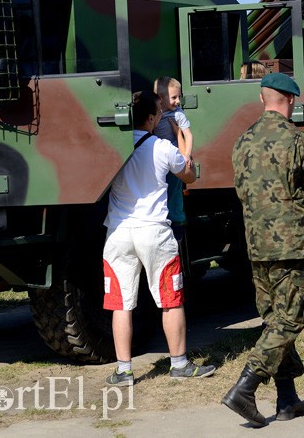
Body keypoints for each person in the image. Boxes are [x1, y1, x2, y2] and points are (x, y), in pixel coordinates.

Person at [223, 73, 304, 427]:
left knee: (273, 318)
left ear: (263, 99)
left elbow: (240, 191)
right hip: (292, 244)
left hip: (257, 245)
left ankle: (287, 400)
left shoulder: (242, 142)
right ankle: (246, 386)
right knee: (290, 319)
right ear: (291, 100)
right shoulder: (297, 140)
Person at [102, 90, 213, 387]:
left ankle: (123, 370)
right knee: (170, 300)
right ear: (151, 118)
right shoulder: (162, 147)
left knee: (120, 304)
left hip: (118, 233)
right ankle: (179, 364)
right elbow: (188, 176)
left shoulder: (114, 148)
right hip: (154, 232)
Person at [152, 77, 193, 241]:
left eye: (179, 97)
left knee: (175, 190)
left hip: (174, 159)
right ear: (161, 99)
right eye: (174, 97)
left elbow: (188, 135)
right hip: (159, 160)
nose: (178, 101)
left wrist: (187, 155)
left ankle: (176, 219)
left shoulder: (178, 114)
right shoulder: (156, 114)